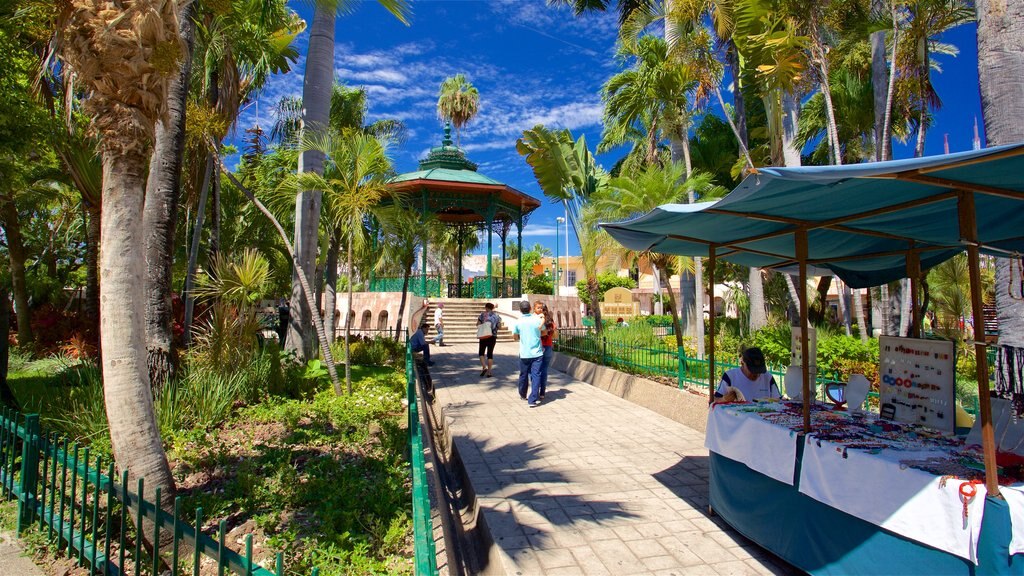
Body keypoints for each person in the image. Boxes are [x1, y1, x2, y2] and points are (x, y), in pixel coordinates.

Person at [713, 347, 780, 403]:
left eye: (759, 370)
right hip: (736, 417)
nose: (756, 374)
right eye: (752, 370)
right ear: (742, 363)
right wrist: (724, 399)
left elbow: (779, 400)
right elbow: (714, 400)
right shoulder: (730, 376)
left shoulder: (768, 377)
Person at [512, 300, 544, 407]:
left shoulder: (518, 321)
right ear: (530, 308)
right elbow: (544, 332)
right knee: (536, 375)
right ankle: (533, 399)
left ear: (520, 310)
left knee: (523, 374)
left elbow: (515, 336)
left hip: (524, 353)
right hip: (537, 353)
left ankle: (522, 394)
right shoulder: (537, 319)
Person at [537, 301, 557, 399]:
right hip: (548, 346)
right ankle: (542, 392)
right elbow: (554, 333)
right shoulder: (550, 321)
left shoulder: (537, 319)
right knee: (544, 369)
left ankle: (536, 389)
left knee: (536, 369)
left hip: (538, 347)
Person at [477, 302, 500, 377]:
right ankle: (489, 372)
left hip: (484, 335)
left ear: (486, 307)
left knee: (481, 352)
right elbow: (499, 326)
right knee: (490, 354)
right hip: (492, 336)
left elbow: (477, 324)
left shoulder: (482, 315)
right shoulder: (497, 316)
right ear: (492, 308)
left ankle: (484, 366)